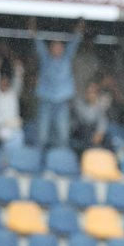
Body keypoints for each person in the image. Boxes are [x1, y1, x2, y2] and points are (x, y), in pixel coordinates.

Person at [29, 17, 83, 150]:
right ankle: (39, 161)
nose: (58, 49)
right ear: (50, 49)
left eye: (60, 47)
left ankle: (61, 162)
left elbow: (75, 42)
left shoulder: (67, 58)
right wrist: (32, 26)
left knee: (63, 134)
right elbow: (37, 41)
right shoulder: (45, 58)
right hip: (46, 101)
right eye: (55, 47)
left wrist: (80, 27)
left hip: (62, 102)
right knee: (42, 134)